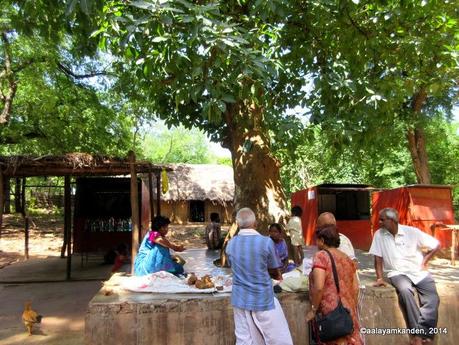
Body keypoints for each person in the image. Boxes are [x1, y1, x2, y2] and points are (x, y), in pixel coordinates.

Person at [369, 208, 440, 345]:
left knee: (432, 298)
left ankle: (426, 333)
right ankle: (417, 334)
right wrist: (379, 278)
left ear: (392, 220)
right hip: (397, 272)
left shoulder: (411, 232)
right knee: (405, 292)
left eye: (382, 219)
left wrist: (425, 261)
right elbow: (377, 258)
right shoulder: (379, 235)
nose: (379, 222)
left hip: (418, 272)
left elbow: (435, 245)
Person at [226, 208, 293, 345]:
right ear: (255, 223)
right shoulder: (266, 242)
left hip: (240, 299)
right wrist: (279, 277)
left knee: (244, 339)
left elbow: (233, 267)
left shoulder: (231, 244)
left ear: (238, 224)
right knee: (277, 338)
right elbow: (274, 270)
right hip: (263, 298)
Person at [307, 225, 362, 345]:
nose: (316, 243)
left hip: (331, 311)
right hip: (347, 311)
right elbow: (356, 288)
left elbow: (319, 287)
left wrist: (313, 310)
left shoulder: (321, 256)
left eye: (317, 240)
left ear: (322, 240)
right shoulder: (346, 258)